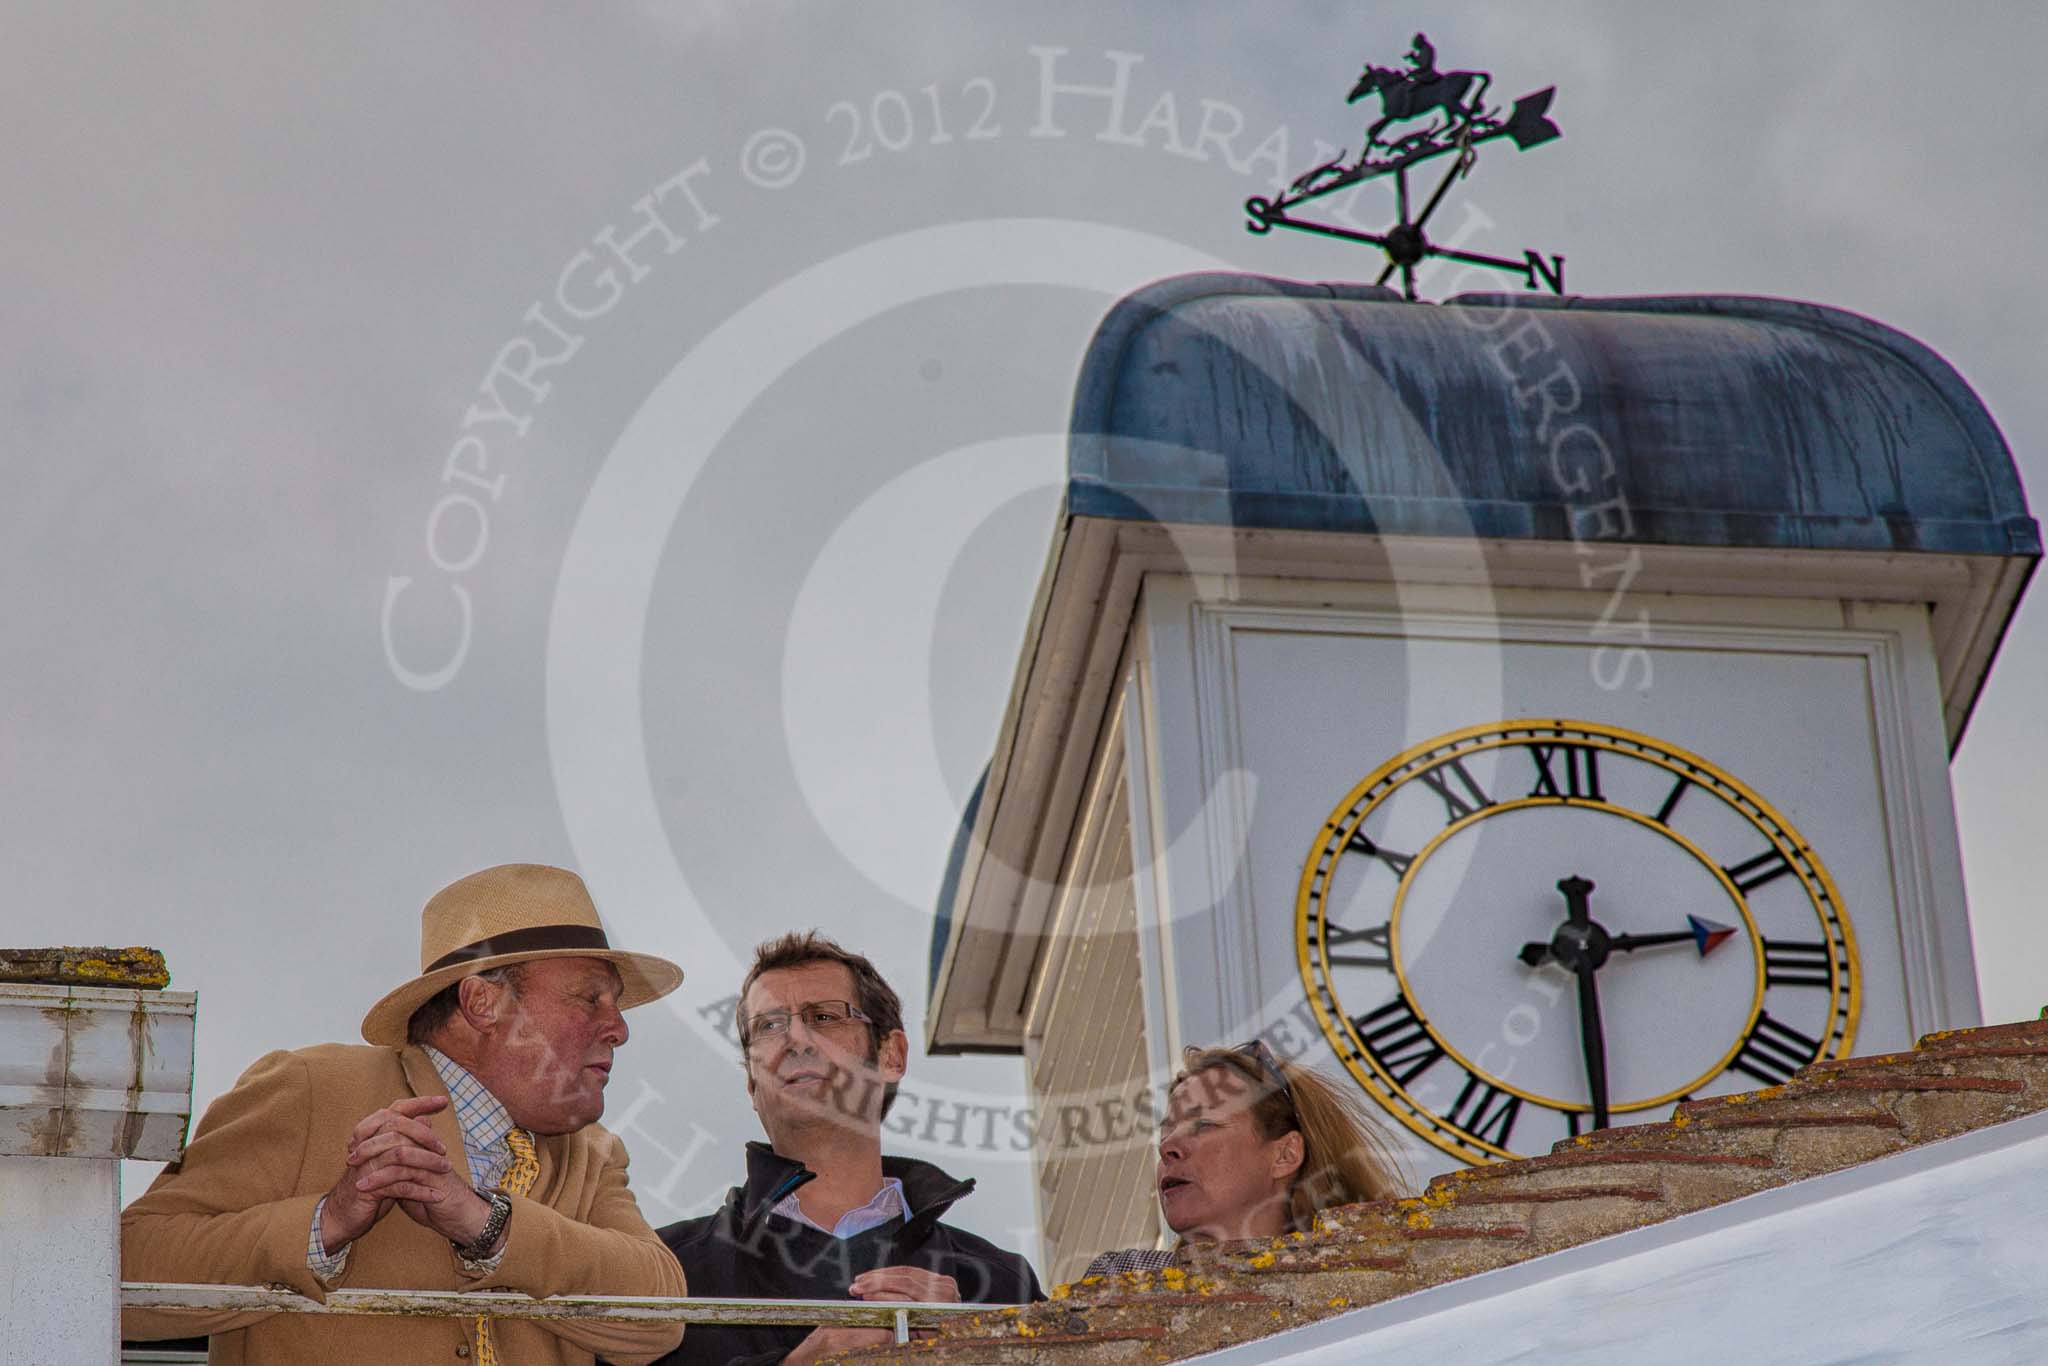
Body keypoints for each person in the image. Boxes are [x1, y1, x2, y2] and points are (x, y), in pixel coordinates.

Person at [122, 863, 690, 1365]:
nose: (619, 1027)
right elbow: (122, 1273)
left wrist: (486, 1225)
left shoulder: (595, 1153)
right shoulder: (311, 1087)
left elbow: (662, 1321)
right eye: (590, 997)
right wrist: (326, 1222)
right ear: (482, 1003)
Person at [654, 931, 1040, 1366]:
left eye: (823, 1017)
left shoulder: (1003, 1286)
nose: (796, 1039)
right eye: (769, 1026)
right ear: (751, 1081)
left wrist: (976, 1346)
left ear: (891, 1055)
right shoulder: (662, 1274)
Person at [1084, 1041, 1402, 1277]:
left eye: (1204, 1125)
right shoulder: (1120, 1278)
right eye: (1165, 1132)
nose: (1168, 1147)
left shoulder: (1363, 1281)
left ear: (1285, 1154)